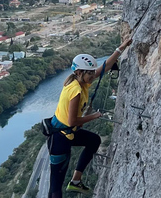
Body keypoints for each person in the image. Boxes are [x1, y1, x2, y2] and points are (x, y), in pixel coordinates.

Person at [48, 37, 132, 197]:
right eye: (89, 73)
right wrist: (94, 116)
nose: (93, 75)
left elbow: (104, 67)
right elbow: (72, 121)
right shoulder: (75, 91)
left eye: (92, 72)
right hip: (59, 138)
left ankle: (76, 181)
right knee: (55, 186)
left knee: (94, 140)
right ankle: (73, 182)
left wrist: (120, 49)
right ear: (79, 73)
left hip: (68, 133)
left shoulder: (81, 82)